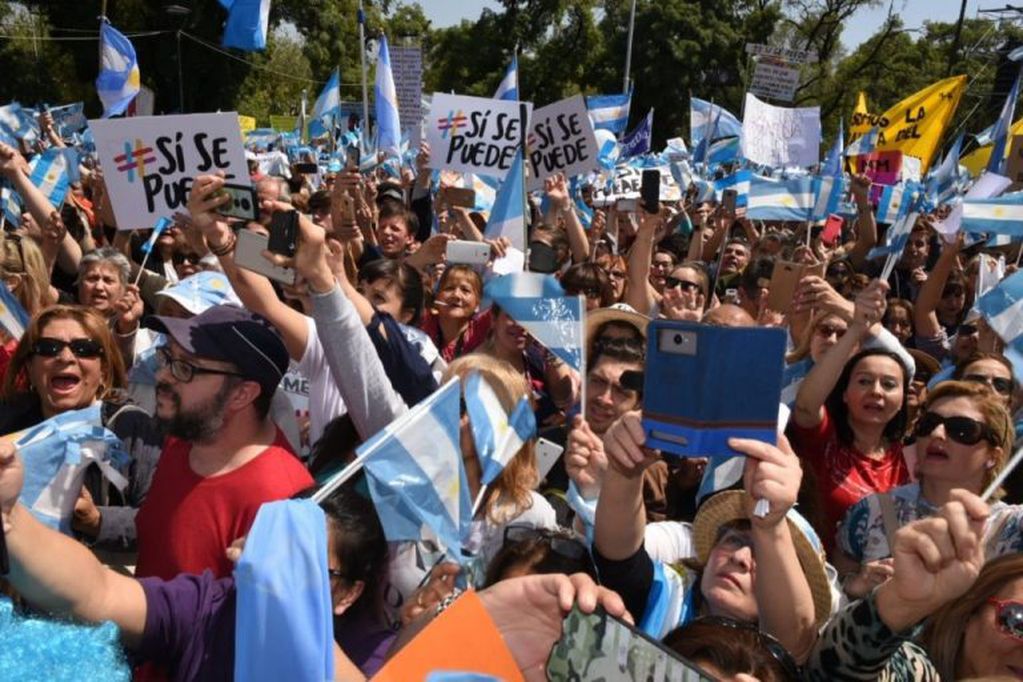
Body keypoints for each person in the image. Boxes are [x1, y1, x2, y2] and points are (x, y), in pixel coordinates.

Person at [594, 409, 831, 664]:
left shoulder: (775, 664)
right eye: (734, 540)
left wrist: (770, 527)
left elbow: (795, 640)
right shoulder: (665, 594)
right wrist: (623, 473)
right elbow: (617, 556)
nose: (740, 557)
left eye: (761, 555)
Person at [133, 304, 313, 581]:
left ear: (241, 394)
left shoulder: (278, 503)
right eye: (166, 358)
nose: (161, 376)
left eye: (184, 368)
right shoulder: (187, 435)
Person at [805, 490, 1021, 681]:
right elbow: (833, 672)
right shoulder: (918, 673)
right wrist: (901, 603)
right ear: (968, 615)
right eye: (1017, 620)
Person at [837, 380, 1020, 597]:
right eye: (929, 423)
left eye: (962, 429)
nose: (937, 434)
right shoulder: (871, 510)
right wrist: (855, 585)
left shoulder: (1014, 528)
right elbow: (830, 598)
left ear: (993, 456)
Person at [789, 280, 912, 548]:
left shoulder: (913, 459)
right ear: (844, 393)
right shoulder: (824, 441)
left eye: (889, 384)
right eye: (864, 381)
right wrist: (856, 327)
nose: (876, 392)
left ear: (903, 400)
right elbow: (806, 407)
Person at [0, 304, 125, 433]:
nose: (65, 358)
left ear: (104, 370)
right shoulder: (5, 424)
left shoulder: (128, 426)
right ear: (30, 367)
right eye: (48, 347)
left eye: (84, 348)